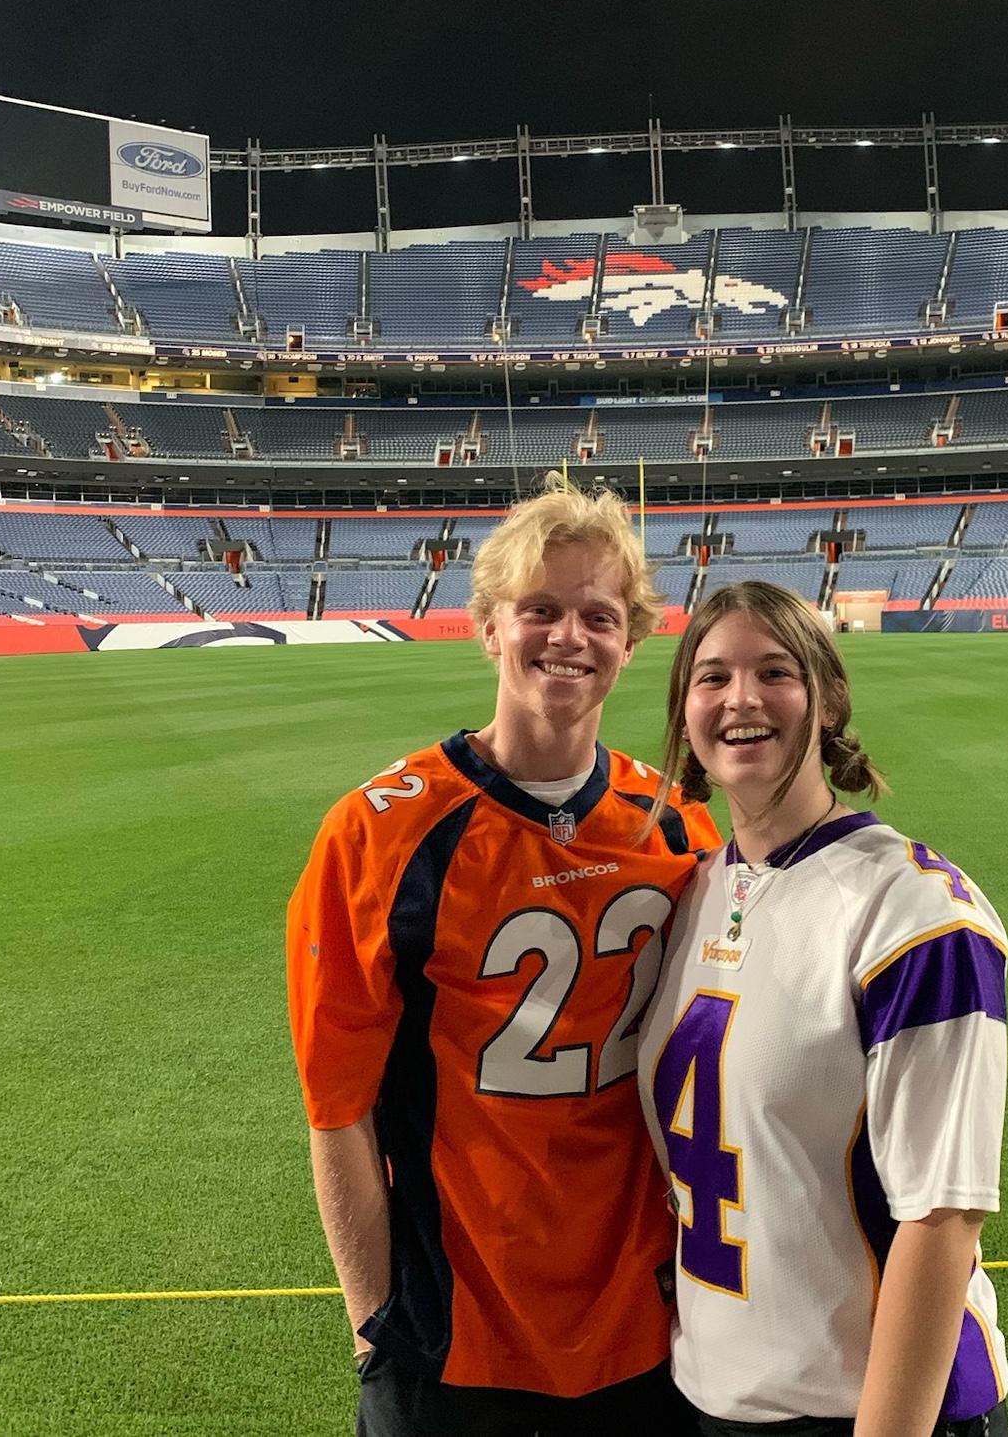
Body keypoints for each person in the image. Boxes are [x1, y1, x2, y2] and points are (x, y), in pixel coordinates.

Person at [287, 475, 719, 1437]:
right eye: (541, 610)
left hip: (646, 1324)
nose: (569, 638)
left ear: (632, 640)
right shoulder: (375, 837)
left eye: (598, 616)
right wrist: (374, 1325)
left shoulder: (676, 826)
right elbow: (339, 1110)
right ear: (488, 627)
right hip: (456, 1333)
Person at [637, 580, 1008, 1437]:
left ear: (829, 697)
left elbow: (943, 1218)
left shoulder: (915, 914)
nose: (741, 699)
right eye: (711, 676)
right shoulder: (698, 891)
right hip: (712, 1398)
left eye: (775, 671)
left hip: (865, 1413)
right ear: (684, 711)